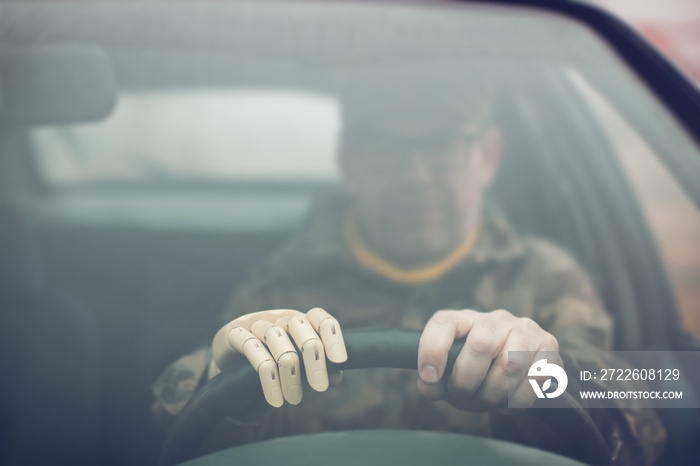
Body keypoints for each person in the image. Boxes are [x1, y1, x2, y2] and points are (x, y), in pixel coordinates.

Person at [152, 67, 665, 464]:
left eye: (442, 145)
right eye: (384, 149)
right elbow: (200, 443)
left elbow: (645, 415)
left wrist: (551, 377)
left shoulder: (550, 277)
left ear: (487, 156)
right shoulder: (280, 283)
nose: (415, 176)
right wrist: (219, 378)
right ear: (349, 165)